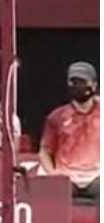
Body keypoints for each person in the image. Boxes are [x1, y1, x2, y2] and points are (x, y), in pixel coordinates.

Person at [39, 62, 99, 202]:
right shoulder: (56, 116)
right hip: (66, 179)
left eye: (82, 82)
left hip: (97, 177)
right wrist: (54, 175)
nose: (78, 86)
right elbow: (44, 152)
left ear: (94, 85)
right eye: (74, 82)